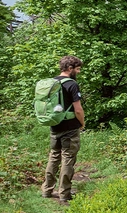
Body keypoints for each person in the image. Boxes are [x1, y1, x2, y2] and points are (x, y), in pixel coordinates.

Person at [41, 56, 85, 202]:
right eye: (77, 69)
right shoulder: (71, 84)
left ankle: (46, 190)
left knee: (54, 157)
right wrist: (82, 122)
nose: (78, 72)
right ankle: (64, 194)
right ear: (70, 68)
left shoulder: (52, 83)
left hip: (54, 125)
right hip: (70, 128)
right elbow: (78, 109)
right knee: (68, 158)